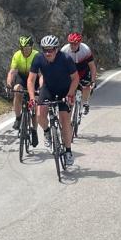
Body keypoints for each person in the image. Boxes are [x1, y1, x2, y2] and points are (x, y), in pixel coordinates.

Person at [28, 35, 80, 166]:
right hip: (48, 89)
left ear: (56, 49)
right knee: (40, 115)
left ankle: (68, 152)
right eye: (45, 50)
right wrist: (32, 98)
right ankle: (47, 132)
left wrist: (70, 94)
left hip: (65, 90)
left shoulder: (66, 59)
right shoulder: (38, 58)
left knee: (65, 120)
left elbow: (75, 78)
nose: (48, 53)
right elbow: (31, 79)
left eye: (50, 50)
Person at [6, 36, 40, 147]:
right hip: (22, 77)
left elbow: (41, 75)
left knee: (34, 103)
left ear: (31, 47)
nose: (26, 50)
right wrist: (9, 84)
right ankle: (18, 117)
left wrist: (41, 87)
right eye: (24, 48)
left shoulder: (36, 55)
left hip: (34, 77)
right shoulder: (17, 55)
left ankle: (34, 131)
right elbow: (12, 72)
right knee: (17, 90)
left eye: (28, 48)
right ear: (21, 48)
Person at [60, 32, 97, 115]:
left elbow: (92, 67)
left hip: (83, 69)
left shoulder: (86, 50)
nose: (72, 46)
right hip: (71, 71)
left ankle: (85, 103)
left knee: (86, 85)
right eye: (71, 44)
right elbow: (60, 67)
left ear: (79, 43)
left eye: (75, 44)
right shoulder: (64, 50)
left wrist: (93, 80)